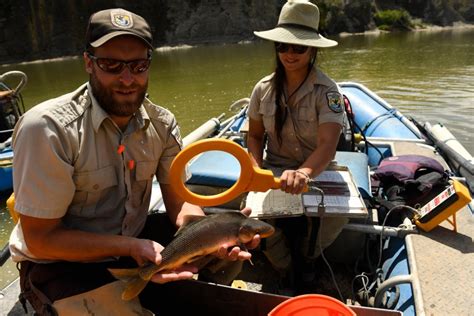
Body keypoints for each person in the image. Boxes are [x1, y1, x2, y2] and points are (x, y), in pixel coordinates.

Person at [9, 8, 259, 315]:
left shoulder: (162, 123)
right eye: (111, 65)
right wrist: (129, 247)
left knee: (224, 252)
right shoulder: (48, 128)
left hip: (133, 244)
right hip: (59, 263)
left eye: (138, 66)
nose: (127, 79)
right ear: (89, 63)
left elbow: (180, 203)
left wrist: (206, 232)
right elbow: (40, 240)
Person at [247, 0, 348, 290]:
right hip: (275, 169)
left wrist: (303, 173)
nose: (289, 54)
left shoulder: (327, 91)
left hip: (317, 170)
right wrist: (255, 168)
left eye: (298, 48)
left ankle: (309, 259)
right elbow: (254, 137)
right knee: (254, 216)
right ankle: (284, 266)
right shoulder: (262, 89)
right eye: (283, 47)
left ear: (312, 50)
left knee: (337, 215)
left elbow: (328, 145)